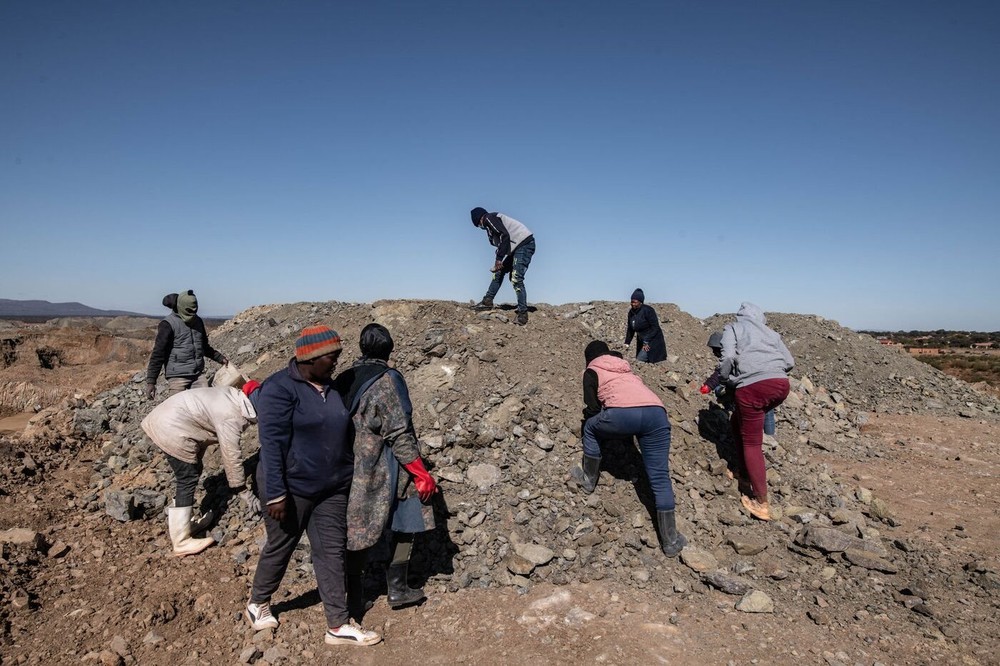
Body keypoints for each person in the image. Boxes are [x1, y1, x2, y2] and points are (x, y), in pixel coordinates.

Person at [246, 325, 380, 647]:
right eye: (332, 357)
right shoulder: (280, 389)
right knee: (282, 545)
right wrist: (276, 493)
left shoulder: (331, 388)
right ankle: (258, 602)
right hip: (291, 489)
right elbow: (272, 445)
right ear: (311, 358)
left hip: (331, 488)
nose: (337, 362)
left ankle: (337, 624)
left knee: (331, 551)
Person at [334, 323, 438, 617]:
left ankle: (353, 596)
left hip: (349, 464)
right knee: (410, 513)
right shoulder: (388, 380)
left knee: (357, 529)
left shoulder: (345, 377)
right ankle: (397, 588)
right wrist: (421, 473)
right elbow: (399, 432)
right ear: (389, 350)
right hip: (383, 464)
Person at [571, 340, 686, 557]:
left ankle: (588, 479)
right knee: (660, 476)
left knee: (590, 428)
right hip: (656, 413)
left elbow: (593, 407)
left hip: (622, 415)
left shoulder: (592, 370)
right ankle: (670, 541)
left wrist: (596, 418)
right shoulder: (626, 369)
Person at [140, 381, 263, 556]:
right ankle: (181, 541)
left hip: (170, 418)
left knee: (193, 469)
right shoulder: (232, 415)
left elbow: (203, 420)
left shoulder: (232, 396)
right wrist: (242, 489)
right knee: (187, 477)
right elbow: (230, 454)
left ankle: (186, 523)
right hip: (170, 427)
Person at [699, 303, 794, 521]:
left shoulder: (733, 328)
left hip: (752, 388)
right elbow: (789, 362)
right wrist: (771, 370)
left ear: (740, 316)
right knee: (737, 423)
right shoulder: (770, 332)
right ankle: (742, 473)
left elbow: (729, 358)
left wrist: (723, 378)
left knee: (752, 443)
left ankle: (761, 502)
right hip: (781, 385)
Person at [146, 290, 229, 400]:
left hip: (197, 375)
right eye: (189, 311)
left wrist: (220, 358)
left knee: (205, 404)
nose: (192, 314)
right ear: (180, 307)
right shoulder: (168, 324)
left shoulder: (198, 322)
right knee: (179, 409)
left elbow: (204, 347)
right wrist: (151, 381)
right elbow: (158, 353)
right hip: (177, 377)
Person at [469, 206, 536, 326]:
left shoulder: (489, 218)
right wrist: (499, 257)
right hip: (517, 248)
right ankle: (487, 301)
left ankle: (522, 314)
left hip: (524, 244)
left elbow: (504, 235)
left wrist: (499, 259)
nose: (480, 228)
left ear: (479, 220)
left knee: (516, 278)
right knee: (499, 272)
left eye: (478, 225)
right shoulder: (490, 224)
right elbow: (501, 242)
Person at [624, 288, 667, 363]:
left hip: (652, 340)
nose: (632, 304)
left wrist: (647, 340)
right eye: (631, 302)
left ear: (640, 302)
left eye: (635, 302)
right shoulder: (631, 313)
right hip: (642, 340)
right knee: (640, 360)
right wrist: (627, 343)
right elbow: (630, 329)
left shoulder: (648, 311)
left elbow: (655, 327)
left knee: (641, 359)